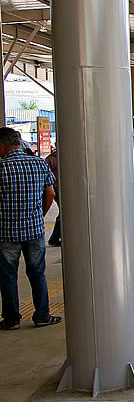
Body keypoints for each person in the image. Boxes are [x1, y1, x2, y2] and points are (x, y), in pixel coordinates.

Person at [0, 127, 60, 330]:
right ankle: (42, 315)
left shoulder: (1, 168)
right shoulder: (38, 163)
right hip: (34, 230)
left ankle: (11, 320)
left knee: (8, 276)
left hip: (7, 232)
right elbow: (50, 193)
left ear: (2, 145)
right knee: (37, 273)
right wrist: (39, 215)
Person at [44, 145, 61, 247]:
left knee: (63, 213)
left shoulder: (50, 159)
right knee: (64, 214)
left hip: (58, 188)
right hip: (56, 188)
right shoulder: (51, 160)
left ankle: (55, 237)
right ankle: (54, 237)